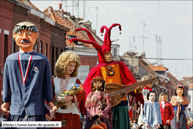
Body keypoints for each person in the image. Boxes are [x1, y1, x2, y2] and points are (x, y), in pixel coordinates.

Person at [70, 23, 144, 129]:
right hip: (103, 106)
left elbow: (129, 82)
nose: (108, 56)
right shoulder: (98, 68)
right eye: (106, 54)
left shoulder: (120, 65)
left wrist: (135, 89)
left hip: (121, 102)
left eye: (109, 53)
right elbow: (87, 85)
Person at [1, 21, 57, 122]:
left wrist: (49, 101)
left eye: (29, 34)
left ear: (36, 37)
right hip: (16, 110)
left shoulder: (42, 60)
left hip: (36, 110)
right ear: (14, 36)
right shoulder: (10, 59)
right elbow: (6, 82)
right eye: (20, 33)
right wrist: (6, 101)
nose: (24, 37)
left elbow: (48, 82)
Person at [51, 52, 86, 129]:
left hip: (72, 115)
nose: (72, 68)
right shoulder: (54, 81)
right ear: (62, 64)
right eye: (70, 65)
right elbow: (48, 99)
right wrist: (50, 110)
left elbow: (82, 94)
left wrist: (70, 98)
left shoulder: (76, 80)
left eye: (74, 66)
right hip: (57, 115)